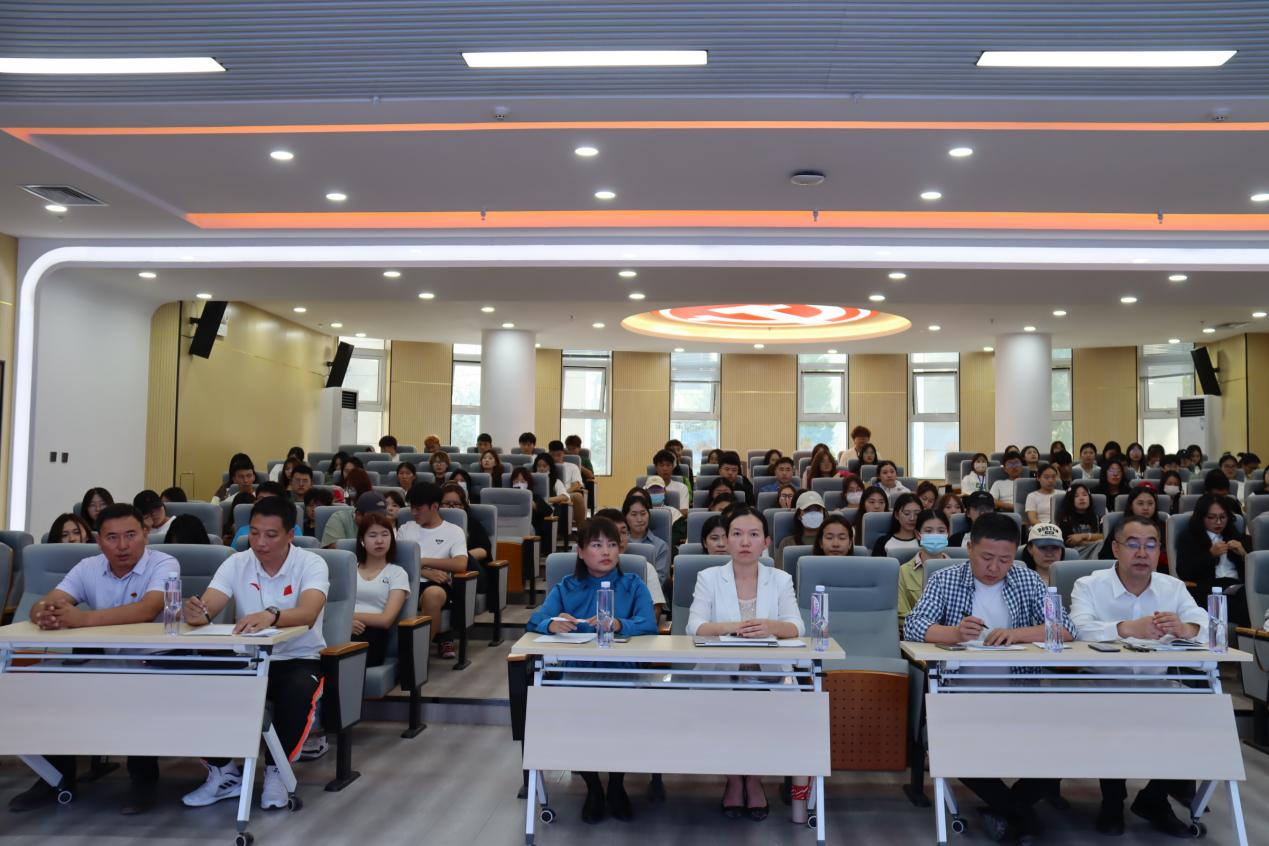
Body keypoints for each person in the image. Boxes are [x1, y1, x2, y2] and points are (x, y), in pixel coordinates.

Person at [904, 513, 1075, 843]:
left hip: (1020, 693)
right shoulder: (945, 579)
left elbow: (1064, 629)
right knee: (954, 751)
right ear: (969, 548)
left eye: (1004, 560)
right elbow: (914, 626)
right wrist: (955, 633)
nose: (995, 567)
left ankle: (1005, 811)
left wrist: (1017, 634)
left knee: (1063, 752)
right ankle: (1022, 816)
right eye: (986, 557)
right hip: (961, 694)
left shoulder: (1027, 580)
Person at [10, 503, 179, 814]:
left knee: (137, 689)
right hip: (104, 659)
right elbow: (49, 602)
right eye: (112, 537)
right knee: (50, 685)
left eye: (131, 535)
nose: (123, 545)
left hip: (155, 660)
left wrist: (82, 619)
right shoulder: (88, 567)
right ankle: (55, 778)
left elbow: (149, 609)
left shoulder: (164, 563)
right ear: (99, 541)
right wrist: (42, 613)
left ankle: (143, 779)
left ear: (145, 534)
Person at [181, 497, 328, 812]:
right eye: (255, 533)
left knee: (298, 692)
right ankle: (224, 773)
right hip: (247, 658)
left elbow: (308, 613)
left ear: (290, 534)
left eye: (271, 535)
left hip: (296, 659)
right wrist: (197, 613)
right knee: (192, 682)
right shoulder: (237, 562)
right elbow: (209, 606)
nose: (260, 542)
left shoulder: (311, 563)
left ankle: (277, 772)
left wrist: (271, 615)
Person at [1070, 515, 1207, 837]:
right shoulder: (1088, 585)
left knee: (1203, 717)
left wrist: (1186, 628)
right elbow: (1077, 629)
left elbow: (1206, 625)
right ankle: (1112, 802)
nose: (1142, 553)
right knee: (1112, 717)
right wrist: (1126, 628)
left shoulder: (1173, 588)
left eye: (1151, 545)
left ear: (1159, 551)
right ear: (1116, 549)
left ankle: (1153, 799)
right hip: (1099, 682)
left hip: (1156, 683)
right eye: (1133, 544)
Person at [528, 517, 656, 824]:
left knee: (623, 721)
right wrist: (552, 624)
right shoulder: (566, 586)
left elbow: (649, 624)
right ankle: (593, 787)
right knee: (576, 720)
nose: (606, 552)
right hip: (577, 670)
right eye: (597, 545)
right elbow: (535, 621)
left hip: (623, 670)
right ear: (581, 551)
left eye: (612, 544)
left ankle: (616, 784)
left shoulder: (632, 584)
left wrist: (619, 624)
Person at [686, 507, 804, 821]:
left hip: (770, 677)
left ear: (766, 542)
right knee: (726, 713)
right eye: (737, 534)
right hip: (720, 674)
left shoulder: (780, 579)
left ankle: (753, 780)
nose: (745, 542)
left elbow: (796, 626)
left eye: (753, 535)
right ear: (726, 540)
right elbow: (694, 627)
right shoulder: (709, 577)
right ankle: (734, 780)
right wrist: (734, 627)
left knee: (764, 715)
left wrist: (770, 626)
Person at [397, 482, 469, 659]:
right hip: (407, 581)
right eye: (411, 508)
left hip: (437, 585)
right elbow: (397, 562)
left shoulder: (454, 531)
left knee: (433, 594)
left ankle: (418, 656)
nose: (413, 513)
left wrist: (423, 561)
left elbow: (461, 564)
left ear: (435, 507)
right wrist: (423, 570)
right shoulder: (405, 529)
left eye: (418, 509)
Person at [1176, 493, 1250, 629]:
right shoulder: (1190, 538)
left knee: (1249, 597)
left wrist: (1244, 555)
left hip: (1238, 587)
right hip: (1209, 591)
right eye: (1211, 517)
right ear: (1201, 517)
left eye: (1223, 517)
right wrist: (1210, 555)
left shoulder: (1236, 536)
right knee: (1246, 604)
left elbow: (1256, 576)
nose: (1218, 522)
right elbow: (1184, 571)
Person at [351, 513, 411, 666]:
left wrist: (347, 618)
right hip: (345, 630)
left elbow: (386, 620)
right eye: (372, 535)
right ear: (362, 540)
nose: (379, 541)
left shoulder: (397, 573)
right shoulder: (349, 569)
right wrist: (346, 624)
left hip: (374, 635)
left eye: (385, 535)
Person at [896, 509, 951, 627]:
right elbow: (901, 615)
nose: (935, 535)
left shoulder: (960, 570)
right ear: (918, 534)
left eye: (941, 531)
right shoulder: (903, 571)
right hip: (917, 635)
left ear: (948, 533)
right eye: (928, 531)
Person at [440, 482, 493, 597]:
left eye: (456, 504)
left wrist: (459, 558)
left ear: (464, 506)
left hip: (470, 571)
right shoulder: (433, 525)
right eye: (447, 504)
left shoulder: (473, 524)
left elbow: (484, 550)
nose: (451, 508)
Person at [1101, 487, 1169, 567]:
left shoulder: (1164, 526)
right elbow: (1104, 556)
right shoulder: (1122, 526)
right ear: (1131, 505)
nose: (1146, 508)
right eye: (1140, 503)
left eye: (1150, 503)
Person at [623, 494, 669, 586]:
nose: (639, 519)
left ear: (649, 515)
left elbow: (660, 580)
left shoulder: (661, 546)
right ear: (625, 517)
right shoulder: (620, 543)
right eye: (634, 514)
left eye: (643, 514)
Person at [777, 491, 826, 569]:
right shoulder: (787, 543)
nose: (813, 514)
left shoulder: (829, 541)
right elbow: (780, 572)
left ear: (823, 514)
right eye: (807, 510)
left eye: (817, 510)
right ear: (799, 515)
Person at [548, 440, 589, 534]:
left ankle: (581, 532)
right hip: (550, 494)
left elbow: (577, 485)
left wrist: (564, 493)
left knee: (578, 496)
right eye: (552, 455)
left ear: (563, 453)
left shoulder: (572, 466)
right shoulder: (546, 466)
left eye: (558, 455)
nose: (555, 458)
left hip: (567, 493)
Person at [1058, 483, 1104, 559]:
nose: (1082, 498)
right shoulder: (1065, 519)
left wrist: (1083, 536)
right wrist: (1095, 539)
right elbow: (1070, 542)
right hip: (1075, 554)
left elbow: (1105, 537)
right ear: (1070, 500)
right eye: (1076, 496)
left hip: (1097, 550)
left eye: (1085, 495)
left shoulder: (1098, 518)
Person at [509, 466, 554, 540]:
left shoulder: (534, 496)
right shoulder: (507, 497)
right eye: (516, 481)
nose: (519, 484)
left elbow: (548, 511)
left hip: (529, 528)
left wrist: (533, 504)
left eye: (523, 481)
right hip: (511, 527)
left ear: (528, 483)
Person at [872, 493, 922, 558]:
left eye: (917, 514)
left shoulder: (925, 541)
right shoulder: (883, 542)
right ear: (897, 515)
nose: (912, 518)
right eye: (907, 513)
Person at [650, 448, 692, 521]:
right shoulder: (647, 488)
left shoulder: (682, 487)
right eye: (661, 465)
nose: (665, 468)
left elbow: (684, 512)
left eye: (668, 465)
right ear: (656, 467)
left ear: (673, 467)